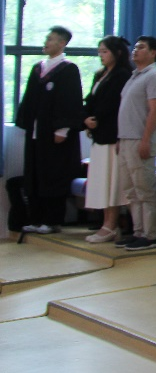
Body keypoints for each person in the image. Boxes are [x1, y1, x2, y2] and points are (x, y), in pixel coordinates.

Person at [16, 25, 83, 234]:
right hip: (36, 132)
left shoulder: (68, 69)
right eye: (46, 38)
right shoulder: (38, 68)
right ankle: (35, 219)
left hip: (55, 134)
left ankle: (52, 220)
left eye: (51, 39)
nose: (46, 42)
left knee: (53, 175)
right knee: (34, 174)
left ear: (62, 43)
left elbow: (70, 102)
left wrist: (62, 129)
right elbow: (29, 100)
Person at [115, 36, 156, 251]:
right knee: (131, 191)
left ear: (153, 52)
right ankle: (137, 232)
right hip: (126, 139)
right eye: (135, 47)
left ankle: (150, 235)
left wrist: (146, 139)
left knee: (145, 190)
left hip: (141, 139)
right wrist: (120, 139)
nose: (135, 50)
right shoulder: (134, 76)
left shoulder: (154, 76)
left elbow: (155, 110)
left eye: (141, 47)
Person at [82, 36, 132, 243]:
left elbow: (114, 105)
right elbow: (91, 100)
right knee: (101, 181)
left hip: (112, 134)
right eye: (99, 51)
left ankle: (111, 224)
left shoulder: (122, 75)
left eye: (105, 51)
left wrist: (97, 119)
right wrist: (86, 118)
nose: (101, 55)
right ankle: (106, 223)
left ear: (117, 53)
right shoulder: (100, 74)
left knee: (112, 182)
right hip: (99, 134)